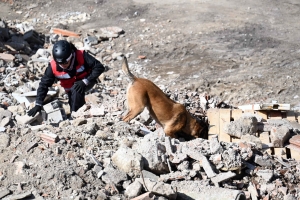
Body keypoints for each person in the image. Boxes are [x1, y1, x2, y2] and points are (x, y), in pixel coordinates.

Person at [27, 40, 105, 117]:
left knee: (76, 91)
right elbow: (44, 85)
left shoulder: (81, 55)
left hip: (87, 81)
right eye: (60, 63)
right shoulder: (52, 67)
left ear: (71, 56)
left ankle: (77, 116)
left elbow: (99, 67)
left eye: (65, 63)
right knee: (73, 103)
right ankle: (76, 114)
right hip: (70, 88)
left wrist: (85, 81)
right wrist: (38, 103)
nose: (63, 65)